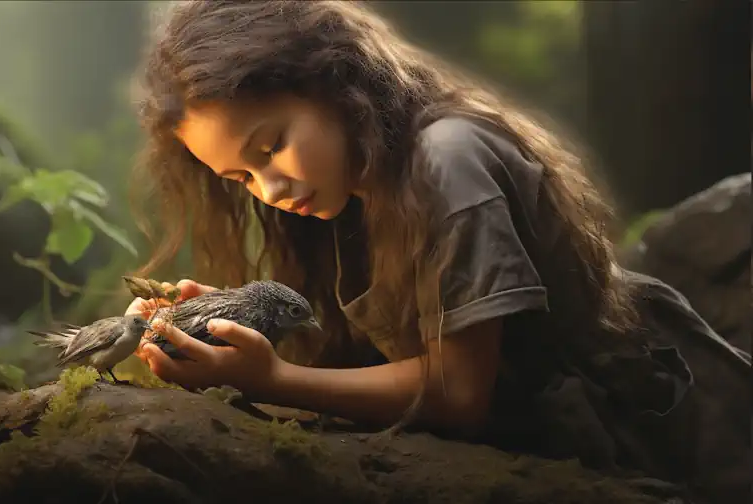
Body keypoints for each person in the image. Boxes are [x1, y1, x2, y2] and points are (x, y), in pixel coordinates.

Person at [125, 1, 751, 502]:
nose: (271, 190)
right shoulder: (350, 190)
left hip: (667, 429)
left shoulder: (446, 161)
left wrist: (273, 379)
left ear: (333, 81)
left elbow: (458, 392)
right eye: (242, 178)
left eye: (269, 148)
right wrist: (241, 316)